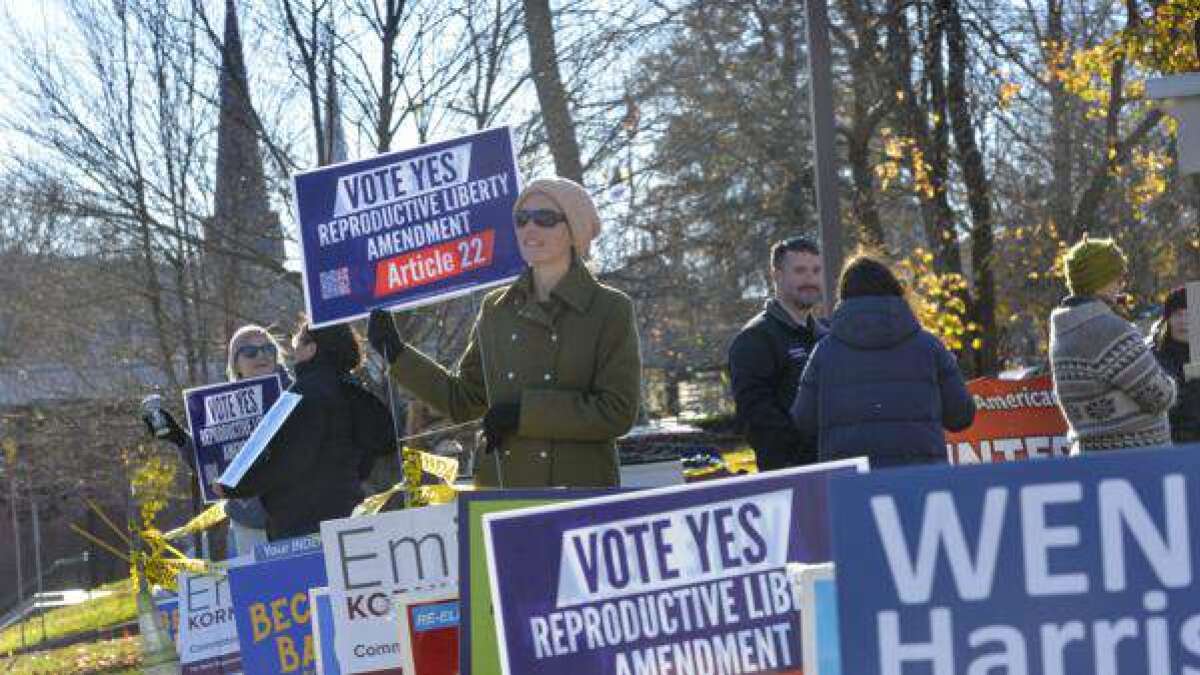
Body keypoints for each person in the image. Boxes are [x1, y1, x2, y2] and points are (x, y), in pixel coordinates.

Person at [368, 177, 641, 488]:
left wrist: (525, 414)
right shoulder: (496, 308)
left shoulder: (609, 309)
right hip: (503, 490)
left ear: (574, 231)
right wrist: (398, 353)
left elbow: (617, 412)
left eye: (545, 219)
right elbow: (465, 401)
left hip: (578, 492)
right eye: (521, 220)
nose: (530, 229)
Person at [790, 254, 975, 468]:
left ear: (844, 297)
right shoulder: (929, 347)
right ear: (895, 289)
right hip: (922, 481)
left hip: (850, 484)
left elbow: (802, 422)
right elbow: (961, 416)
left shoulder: (824, 353)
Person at [218, 321, 394, 540]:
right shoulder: (354, 390)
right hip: (349, 513)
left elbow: (287, 461)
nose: (293, 348)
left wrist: (234, 487)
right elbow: (375, 447)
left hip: (301, 523)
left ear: (312, 349)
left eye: (297, 341)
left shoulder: (301, 394)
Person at [141, 325, 288, 556]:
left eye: (268, 349)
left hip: (298, 513)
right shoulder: (222, 406)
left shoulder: (296, 393)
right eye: (250, 351)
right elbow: (213, 464)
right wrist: (178, 437)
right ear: (235, 364)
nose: (262, 355)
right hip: (249, 521)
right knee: (267, 589)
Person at [1049, 236, 1176, 452]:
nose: (1122, 283)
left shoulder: (1064, 330)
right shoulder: (1110, 330)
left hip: (1092, 459)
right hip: (1137, 459)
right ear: (1101, 280)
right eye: (1118, 277)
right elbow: (1160, 396)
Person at [728, 237, 827, 470]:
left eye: (815, 270)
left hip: (834, 469)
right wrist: (803, 454)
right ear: (777, 275)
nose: (810, 280)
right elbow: (756, 420)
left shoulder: (827, 336)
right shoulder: (754, 339)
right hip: (790, 478)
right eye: (800, 271)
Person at [1152, 286, 1200, 443]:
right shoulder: (1155, 356)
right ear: (1168, 319)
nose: (1184, 321)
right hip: (1171, 444)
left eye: (1190, 314)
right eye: (1178, 314)